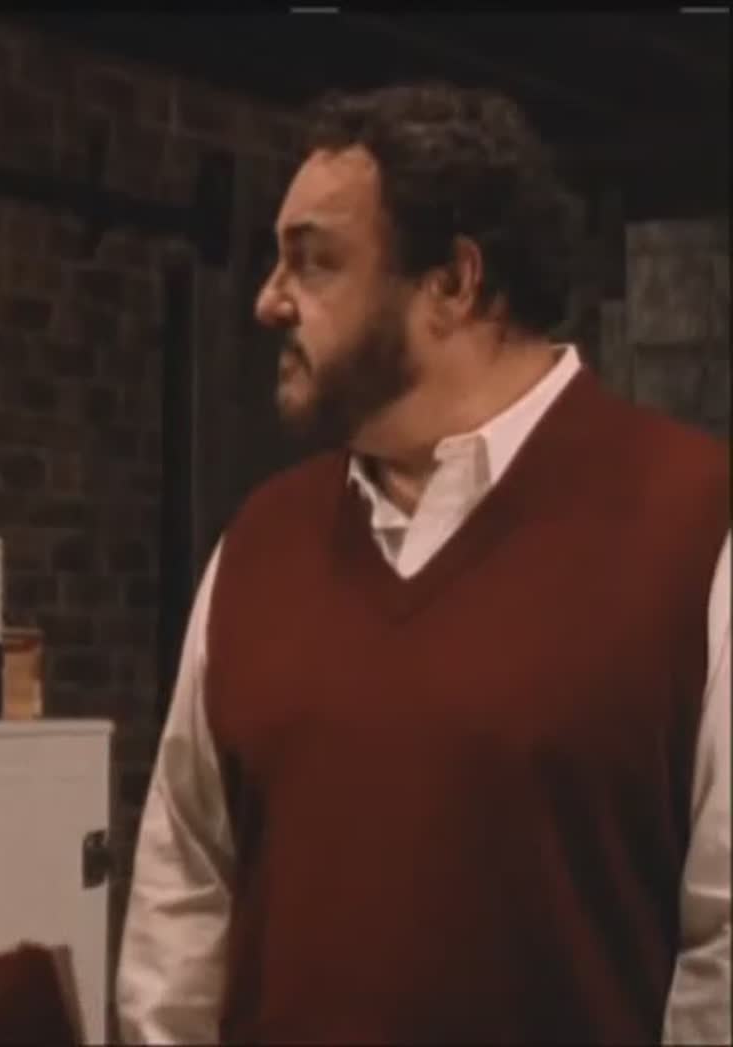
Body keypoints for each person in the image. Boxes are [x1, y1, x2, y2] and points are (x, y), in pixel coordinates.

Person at [116, 82, 729, 1045]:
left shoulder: (695, 525)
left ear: (452, 284)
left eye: (314, 261)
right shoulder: (263, 543)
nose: (269, 299)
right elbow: (183, 891)